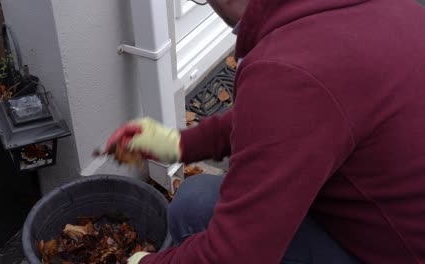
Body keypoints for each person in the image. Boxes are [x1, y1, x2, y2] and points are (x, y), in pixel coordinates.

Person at [105, 0, 425, 263]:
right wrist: (179, 144)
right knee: (196, 198)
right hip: (392, 219)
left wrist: (144, 263)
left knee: (192, 209)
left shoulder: (289, 69)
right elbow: (295, 119)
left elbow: (234, 256)